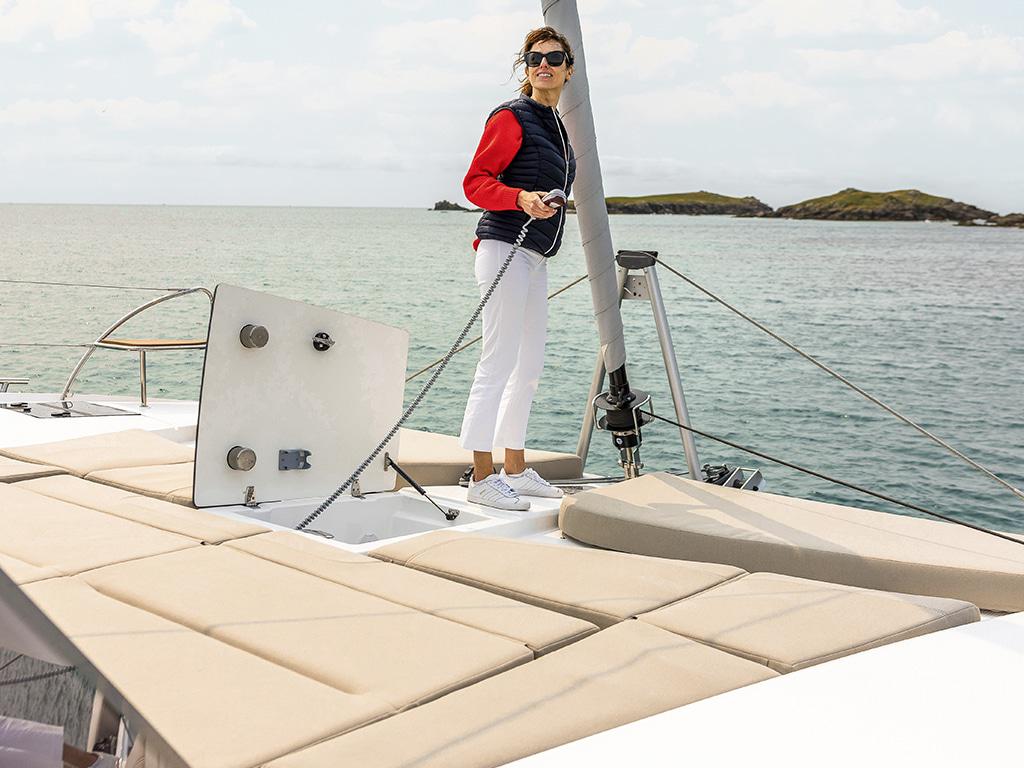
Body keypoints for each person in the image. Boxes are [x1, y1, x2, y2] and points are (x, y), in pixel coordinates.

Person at [458, 26, 577, 511]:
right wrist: (521, 198)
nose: (543, 64)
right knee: (498, 361)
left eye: (554, 58)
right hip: (504, 246)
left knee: (528, 368)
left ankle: (514, 467)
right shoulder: (511, 116)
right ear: (525, 68)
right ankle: (481, 476)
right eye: (534, 58)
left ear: (569, 69)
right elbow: (475, 182)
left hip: (535, 255)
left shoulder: (557, 128)